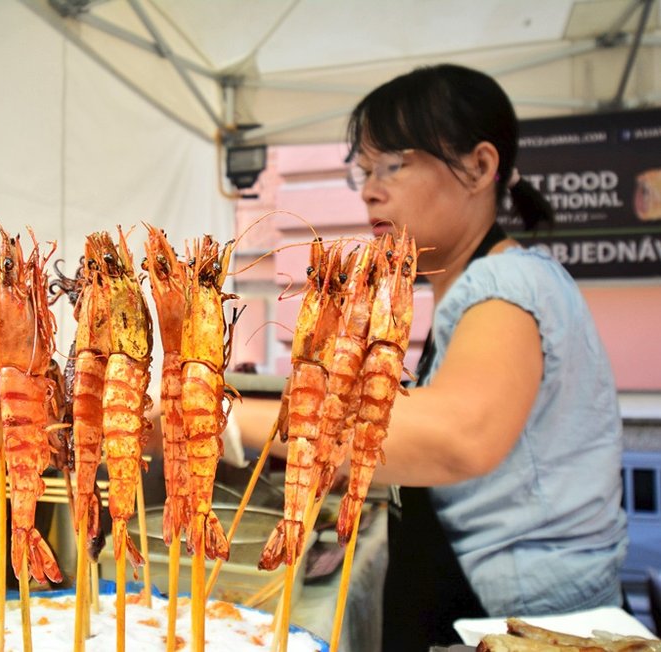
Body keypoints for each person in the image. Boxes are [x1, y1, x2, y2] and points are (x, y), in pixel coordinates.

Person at [232, 63, 628, 650]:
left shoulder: (507, 283)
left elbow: (458, 435)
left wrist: (225, 421)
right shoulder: (469, 291)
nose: (370, 188)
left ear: (480, 166)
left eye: (393, 164)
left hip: (529, 622)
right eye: (363, 171)